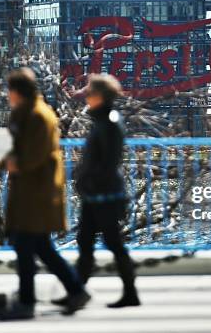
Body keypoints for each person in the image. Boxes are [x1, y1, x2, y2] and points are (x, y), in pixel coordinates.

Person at [2, 68, 91, 320]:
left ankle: (27, 301)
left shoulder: (37, 116)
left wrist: (15, 163)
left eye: (9, 90)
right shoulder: (27, 114)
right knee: (40, 246)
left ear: (17, 92)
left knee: (26, 246)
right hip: (31, 192)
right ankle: (75, 290)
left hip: (36, 193)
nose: (7, 95)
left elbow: (35, 154)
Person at [55, 73, 140, 308]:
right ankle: (77, 291)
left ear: (100, 96)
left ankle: (130, 293)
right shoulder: (103, 121)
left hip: (105, 194)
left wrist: (90, 181)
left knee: (113, 243)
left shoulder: (110, 123)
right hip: (96, 193)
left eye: (89, 93)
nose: (86, 98)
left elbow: (109, 162)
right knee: (85, 242)